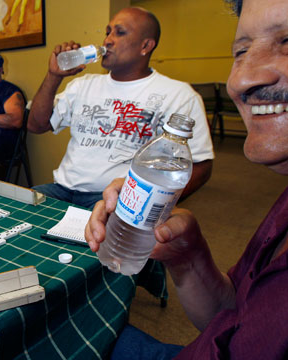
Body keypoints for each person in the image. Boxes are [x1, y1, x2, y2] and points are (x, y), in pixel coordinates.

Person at [85, 0, 288, 358]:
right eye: (241, 51)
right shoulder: (281, 208)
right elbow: (233, 320)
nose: (239, 79)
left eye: (287, 42)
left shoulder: (177, 96)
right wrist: (189, 257)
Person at [28, 7, 214, 209]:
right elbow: (36, 125)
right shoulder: (83, 85)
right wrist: (54, 76)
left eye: (120, 32)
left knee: (90, 238)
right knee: (12, 211)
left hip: (117, 197)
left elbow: (201, 166)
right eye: (107, 32)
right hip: (61, 190)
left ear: (146, 46)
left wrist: (149, 203)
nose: (107, 40)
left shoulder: (178, 95)